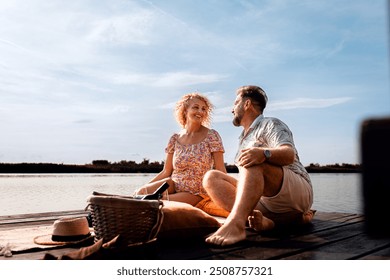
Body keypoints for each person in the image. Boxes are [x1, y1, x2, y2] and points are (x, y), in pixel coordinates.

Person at [203, 85, 314, 246]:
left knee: (252, 159)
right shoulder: (243, 137)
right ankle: (267, 222)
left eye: (235, 103)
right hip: (264, 197)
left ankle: (236, 224)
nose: (232, 109)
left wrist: (263, 153)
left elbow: (289, 154)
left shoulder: (270, 124)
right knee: (211, 177)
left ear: (246, 104)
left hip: (295, 190)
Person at [134, 92, 229, 216]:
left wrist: (227, 194)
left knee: (157, 202)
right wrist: (145, 186)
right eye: (196, 107)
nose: (200, 111)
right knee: (141, 192)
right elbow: (166, 171)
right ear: (185, 110)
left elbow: (220, 170)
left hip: (197, 192)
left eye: (204, 109)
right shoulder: (175, 138)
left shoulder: (212, 135)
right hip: (173, 184)